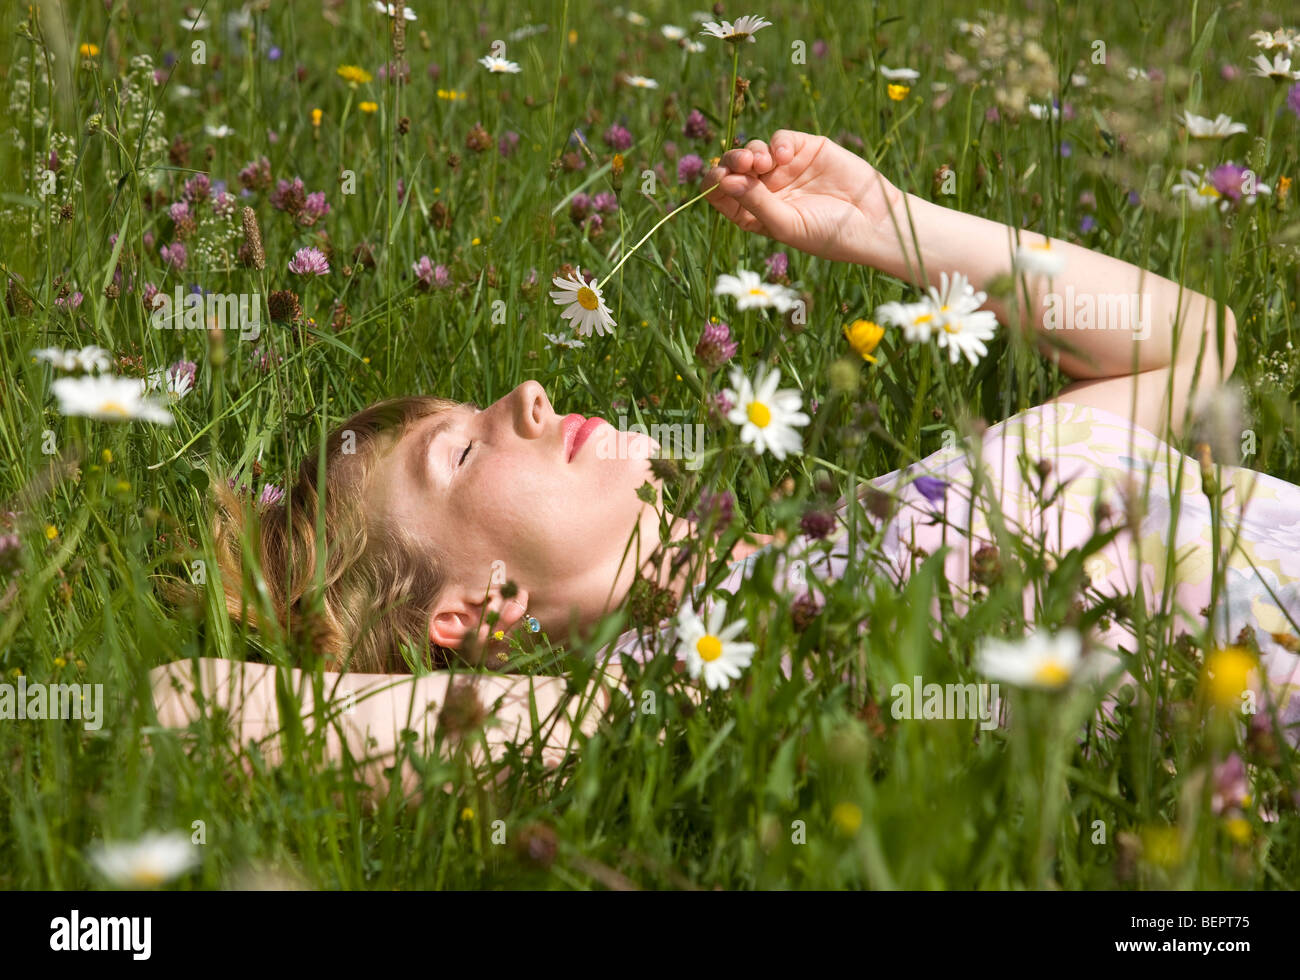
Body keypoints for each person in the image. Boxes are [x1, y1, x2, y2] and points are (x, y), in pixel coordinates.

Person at [152, 129, 1300, 786]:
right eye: (458, 451)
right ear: (479, 609)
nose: (527, 392)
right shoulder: (689, 695)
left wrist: (890, 228)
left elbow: (1194, 349)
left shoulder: (908, 497)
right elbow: (184, 702)